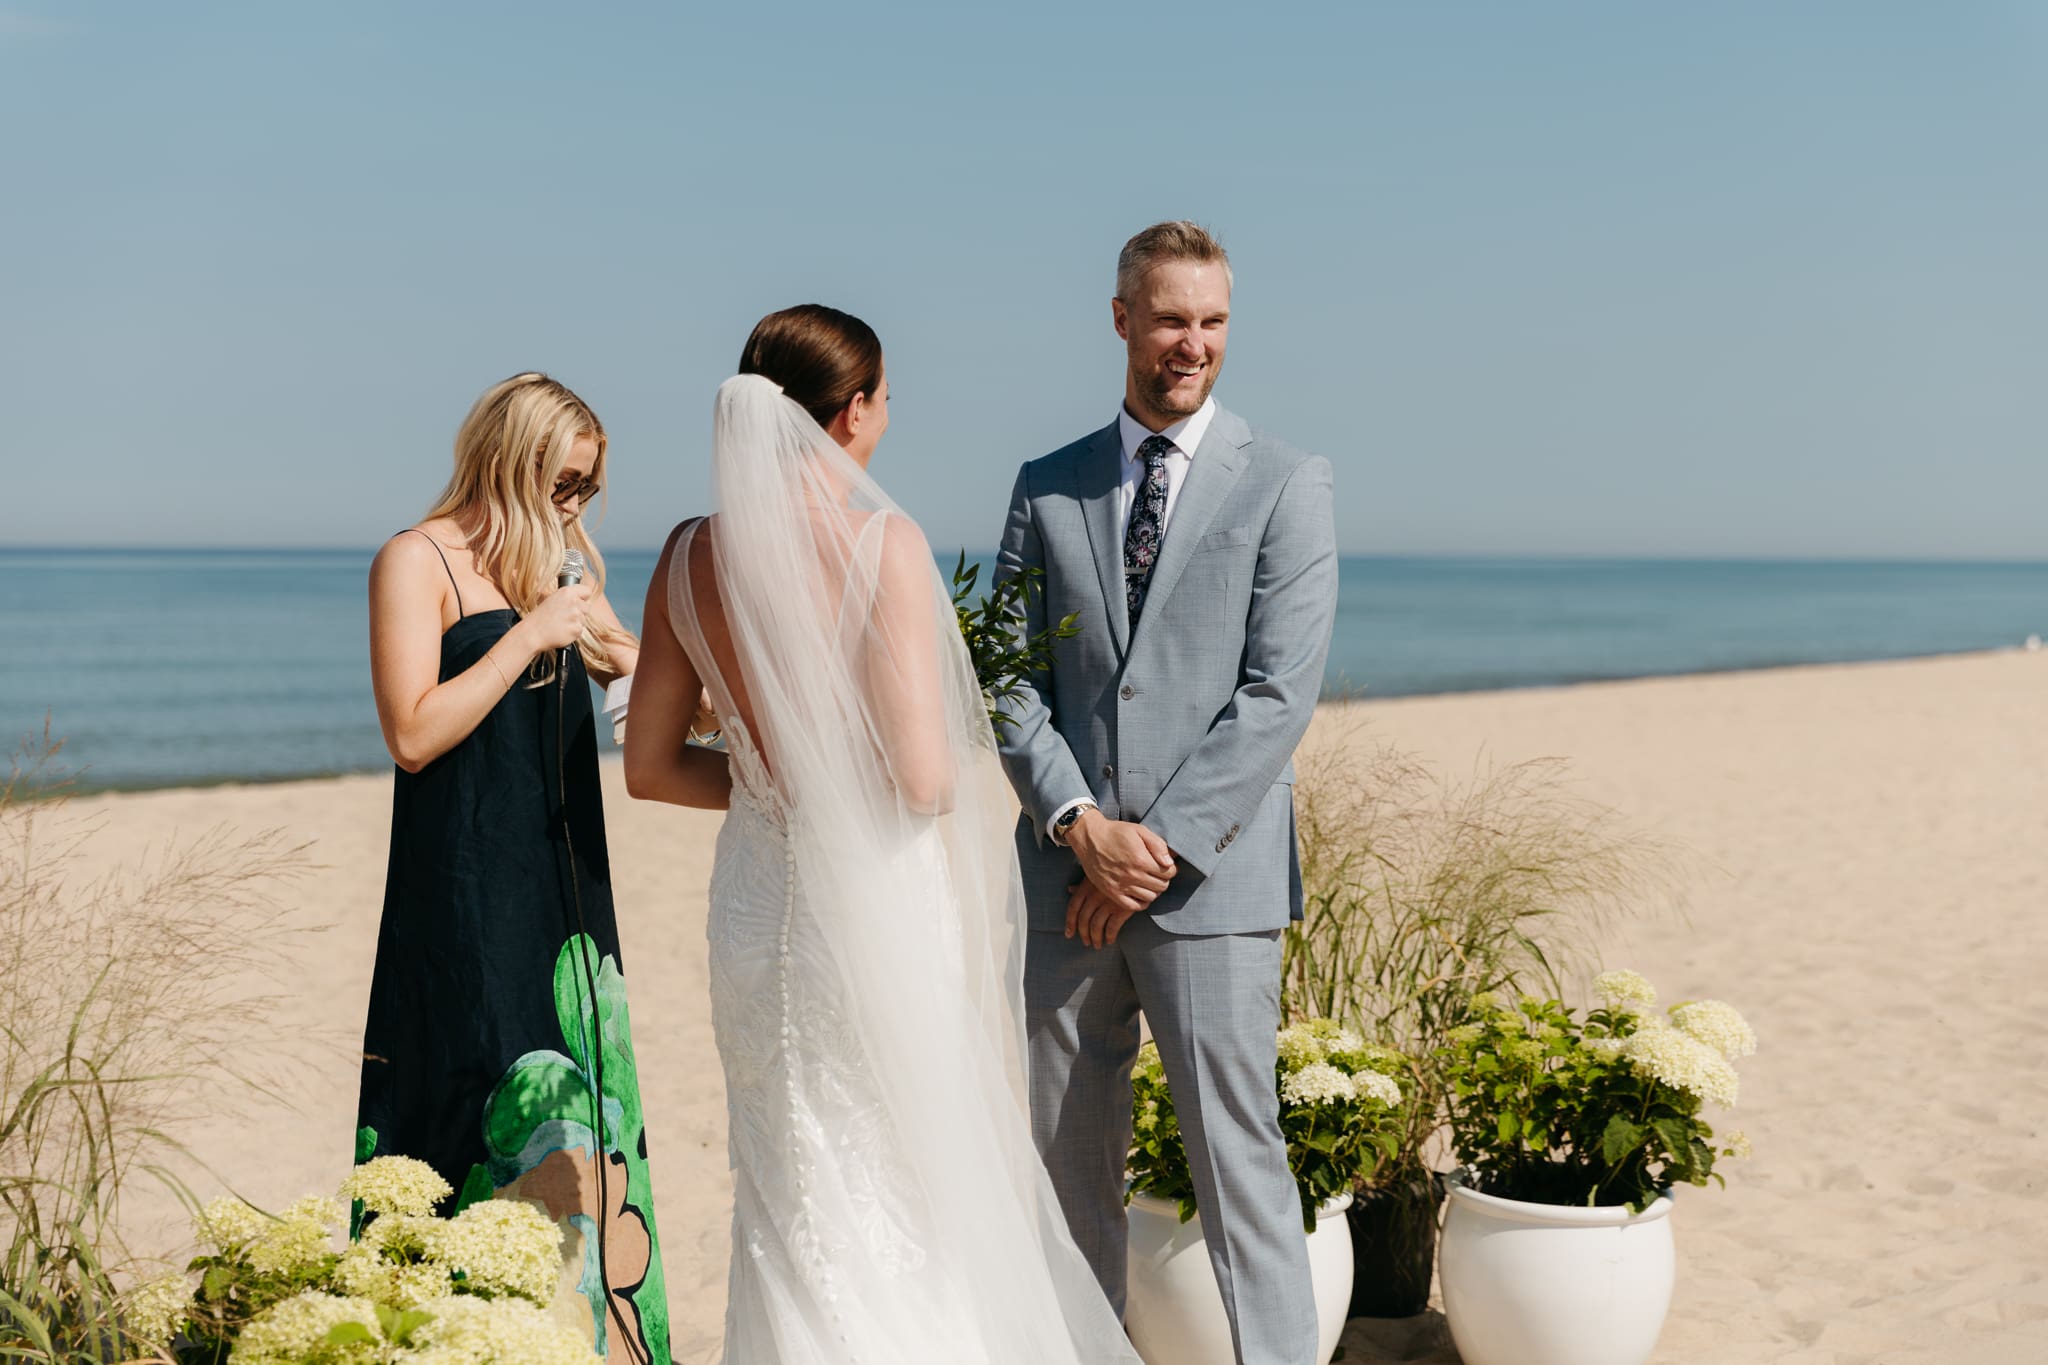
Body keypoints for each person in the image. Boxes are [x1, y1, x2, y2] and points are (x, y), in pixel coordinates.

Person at [625, 306, 1139, 1364]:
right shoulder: (880, 543)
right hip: (869, 904)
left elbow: (648, 766)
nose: (889, 416)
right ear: (850, 413)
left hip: (754, 902)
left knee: (785, 1173)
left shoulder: (686, 553)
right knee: (903, 1165)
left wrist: (779, 784)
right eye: (887, 396)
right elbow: (919, 782)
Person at [994, 222, 1341, 1365]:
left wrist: (1152, 855)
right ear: (1120, 320)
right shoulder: (1044, 488)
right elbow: (1005, 679)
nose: (1190, 343)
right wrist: (1080, 826)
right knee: (1061, 1170)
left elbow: (1276, 692)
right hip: (1066, 885)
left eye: (1211, 321)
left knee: (1240, 1169)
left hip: (1210, 891)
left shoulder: (1289, 482)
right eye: (1169, 318)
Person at [361, 372, 672, 1363]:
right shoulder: (416, 561)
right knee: (466, 1088)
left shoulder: (559, 565)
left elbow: (636, 684)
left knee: (583, 1110)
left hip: (564, 889)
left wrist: (640, 664)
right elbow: (412, 733)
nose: (573, 505)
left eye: (585, 487)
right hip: (459, 885)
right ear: (508, 459)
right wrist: (531, 635)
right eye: (561, 482)